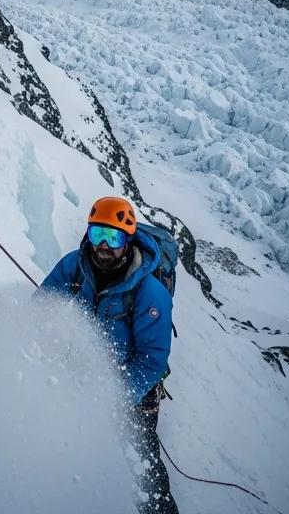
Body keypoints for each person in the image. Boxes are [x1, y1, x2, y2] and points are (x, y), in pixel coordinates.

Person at [40, 196, 177, 514]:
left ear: (128, 241)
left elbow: (152, 359)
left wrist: (113, 396)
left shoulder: (149, 293)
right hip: (79, 373)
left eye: (113, 237)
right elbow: (43, 307)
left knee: (142, 467)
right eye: (97, 234)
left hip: (133, 392)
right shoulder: (72, 266)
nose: (103, 245)